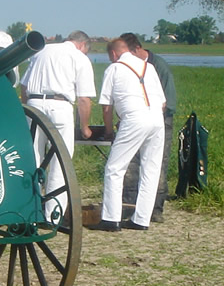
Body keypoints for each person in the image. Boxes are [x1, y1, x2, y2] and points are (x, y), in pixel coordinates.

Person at [89, 38, 166, 232]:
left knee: (114, 169)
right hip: (157, 119)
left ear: (113, 54)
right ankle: (141, 220)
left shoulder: (114, 69)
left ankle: (111, 219)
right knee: (151, 169)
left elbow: (107, 106)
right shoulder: (149, 68)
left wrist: (108, 132)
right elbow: (163, 103)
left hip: (133, 119)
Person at [20, 30, 96, 220]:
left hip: (34, 104)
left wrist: (26, 108)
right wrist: (85, 127)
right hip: (60, 106)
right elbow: (84, 99)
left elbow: (24, 86)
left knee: (33, 158)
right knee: (60, 161)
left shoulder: (42, 51)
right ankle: (53, 215)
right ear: (82, 45)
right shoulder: (79, 57)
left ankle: (30, 210)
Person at [119, 32, 177, 223]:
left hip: (161, 120)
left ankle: (155, 208)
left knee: (157, 164)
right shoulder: (131, 67)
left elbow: (167, 102)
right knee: (131, 164)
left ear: (136, 49)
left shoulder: (158, 66)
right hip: (136, 119)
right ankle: (129, 205)